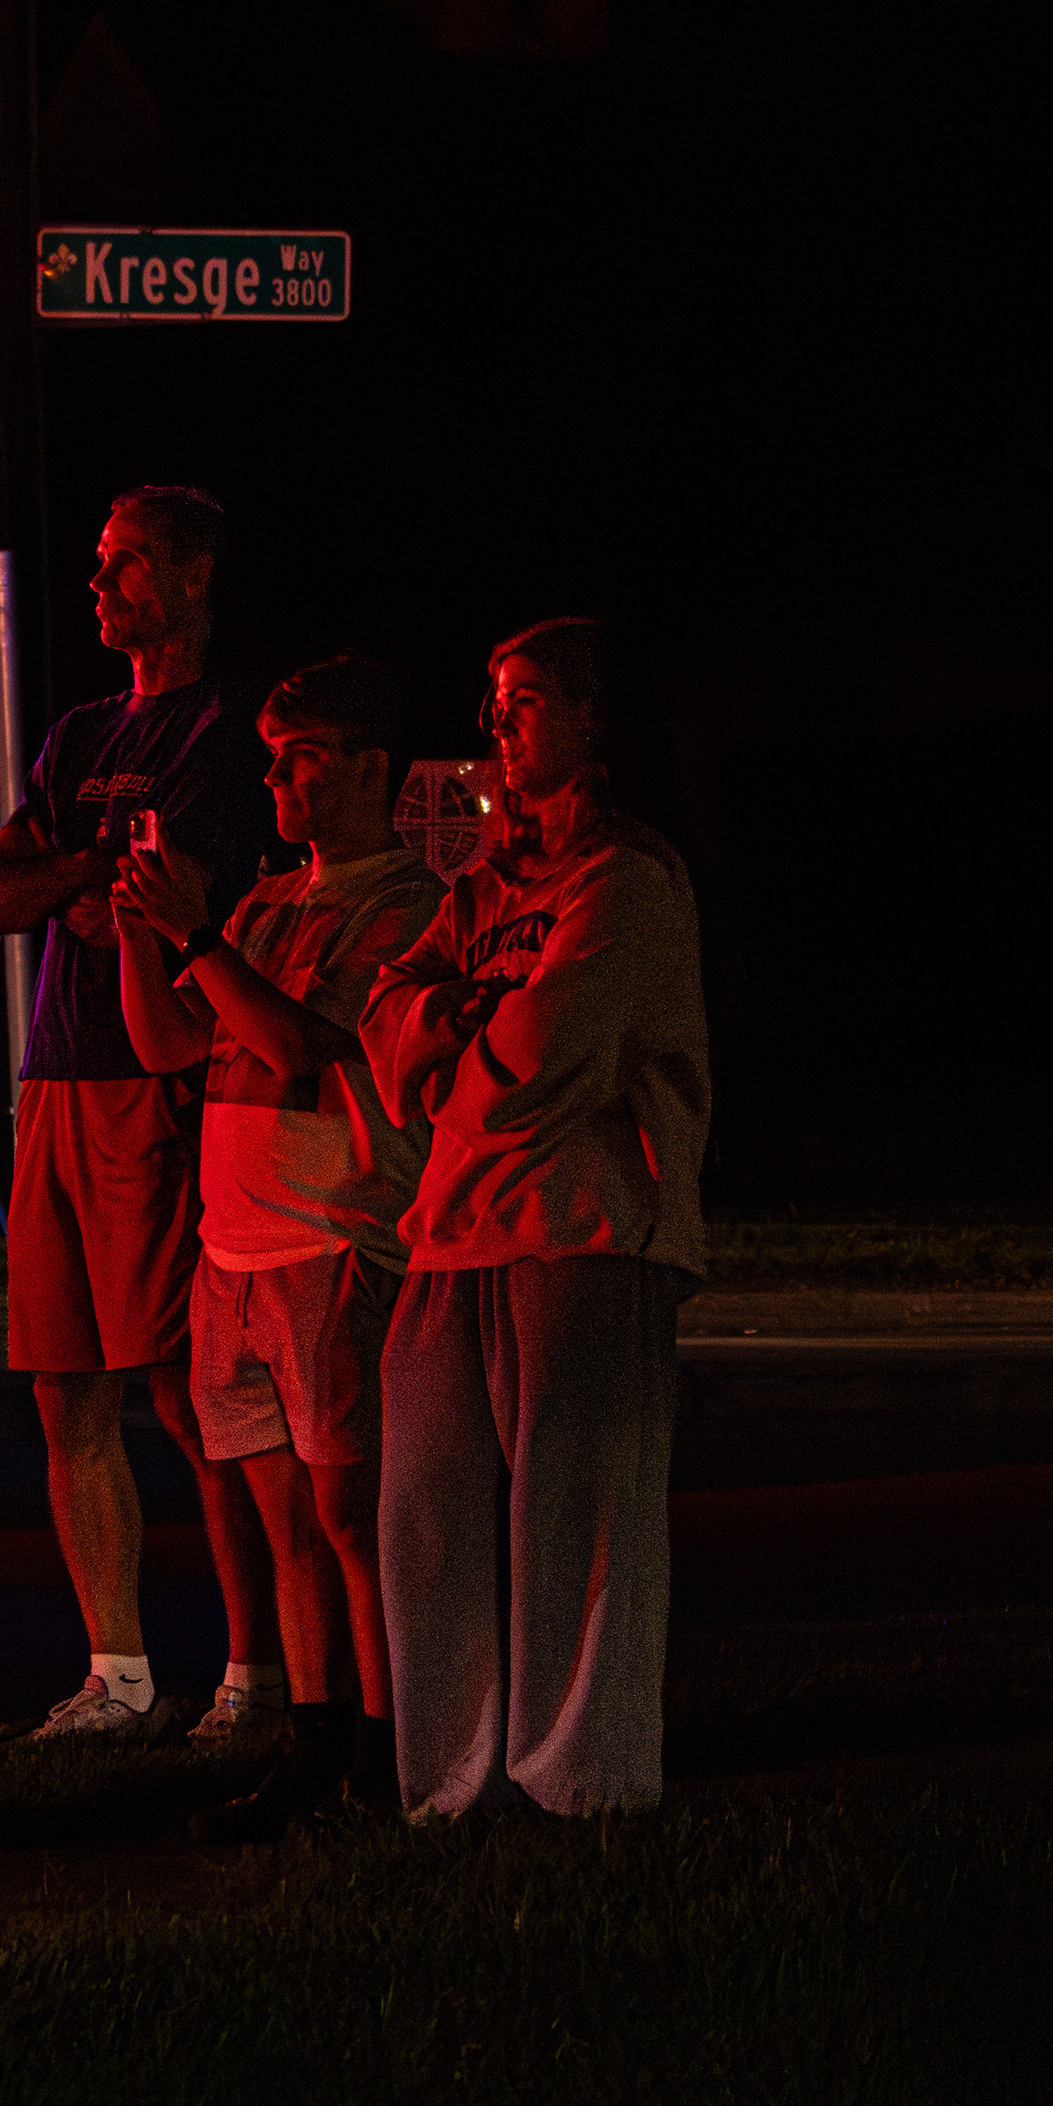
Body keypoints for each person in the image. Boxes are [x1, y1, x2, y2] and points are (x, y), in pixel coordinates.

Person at [360, 618, 711, 1818]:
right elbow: (387, 1014)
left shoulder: (627, 881)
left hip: (584, 1228)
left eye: (524, 700)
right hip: (453, 1230)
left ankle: (584, 1781)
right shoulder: (488, 890)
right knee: (428, 1514)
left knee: (580, 1515)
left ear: (595, 722)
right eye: (493, 701)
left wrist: (449, 1043)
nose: (496, 725)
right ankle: (449, 1786)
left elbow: (536, 1064)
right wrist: (440, 1033)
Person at [0, 487, 281, 1743]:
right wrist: (94, 874)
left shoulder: (224, 729)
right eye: (100, 564)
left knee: (182, 1388)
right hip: (56, 1075)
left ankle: (256, 1672)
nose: (101, 587)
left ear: (196, 576)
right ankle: (120, 1671)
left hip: (154, 1080)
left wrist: (94, 882)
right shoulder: (80, 733)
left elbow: (187, 886)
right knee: (63, 1390)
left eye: (128, 564)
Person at [113, 653, 446, 1834]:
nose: (279, 781)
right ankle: (314, 1738)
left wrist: (199, 944)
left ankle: (389, 1741)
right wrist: (142, 938)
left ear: (370, 770)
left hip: (334, 1238)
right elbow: (169, 1045)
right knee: (285, 1523)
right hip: (235, 1252)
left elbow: (302, 1047)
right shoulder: (261, 906)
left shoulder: (407, 906)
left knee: (353, 1518)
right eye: (274, 759)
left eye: (300, 758)